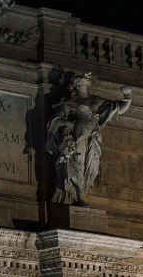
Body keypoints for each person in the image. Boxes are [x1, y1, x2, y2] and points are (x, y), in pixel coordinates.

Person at [46, 72, 132, 206]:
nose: (82, 86)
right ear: (75, 86)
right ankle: (79, 196)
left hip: (93, 138)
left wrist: (128, 97)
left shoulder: (96, 100)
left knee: (92, 166)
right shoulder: (69, 102)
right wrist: (67, 123)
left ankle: (82, 192)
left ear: (88, 84)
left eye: (84, 84)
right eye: (79, 84)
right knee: (77, 163)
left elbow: (118, 108)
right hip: (76, 138)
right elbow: (54, 120)